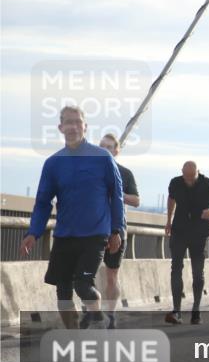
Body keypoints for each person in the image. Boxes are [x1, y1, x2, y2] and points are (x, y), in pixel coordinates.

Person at [21, 105, 124, 329]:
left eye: (78, 122)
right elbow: (42, 202)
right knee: (63, 293)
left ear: (85, 126)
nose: (73, 126)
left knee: (83, 284)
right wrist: (33, 232)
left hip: (95, 235)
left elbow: (116, 196)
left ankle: (97, 317)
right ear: (60, 127)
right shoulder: (53, 163)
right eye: (68, 122)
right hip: (65, 235)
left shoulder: (103, 158)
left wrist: (116, 230)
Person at [165, 161, 209, 325]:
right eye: (186, 176)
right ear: (181, 172)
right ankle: (177, 311)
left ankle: (196, 311)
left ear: (198, 172)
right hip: (179, 230)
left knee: (198, 272)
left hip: (199, 232)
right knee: (176, 268)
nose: (189, 180)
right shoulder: (175, 182)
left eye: (192, 177)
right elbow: (171, 199)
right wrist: (168, 220)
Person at [98, 133, 140, 329]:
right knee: (85, 274)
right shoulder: (89, 170)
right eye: (102, 146)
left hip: (116, 230)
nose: (105, 150)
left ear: (116, 150)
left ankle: (111, 315)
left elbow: (136, 201)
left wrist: (118, 193)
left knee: (111, 275)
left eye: (109, 147)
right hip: (92, 230)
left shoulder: (125, 173)